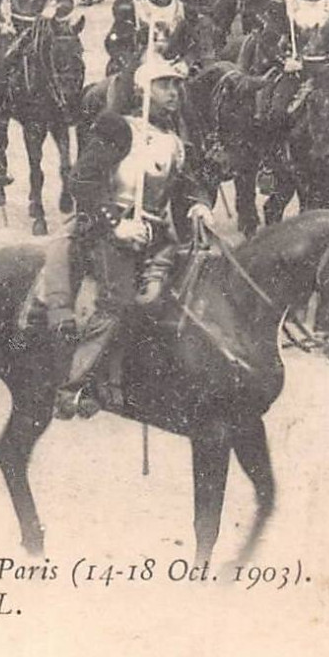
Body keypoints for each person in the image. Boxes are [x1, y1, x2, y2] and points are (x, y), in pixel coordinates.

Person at [49, 55, 217, 420]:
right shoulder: (117, 128)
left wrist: (199, 204)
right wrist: (115, 224)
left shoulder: (174, 140)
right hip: (108, 231)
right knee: (118, 300)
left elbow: (188, 186)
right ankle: (72, 385)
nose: (173, 93)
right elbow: (82, 181)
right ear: (143, 88)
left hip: (156, 236)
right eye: (164, 85)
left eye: (176, 85)